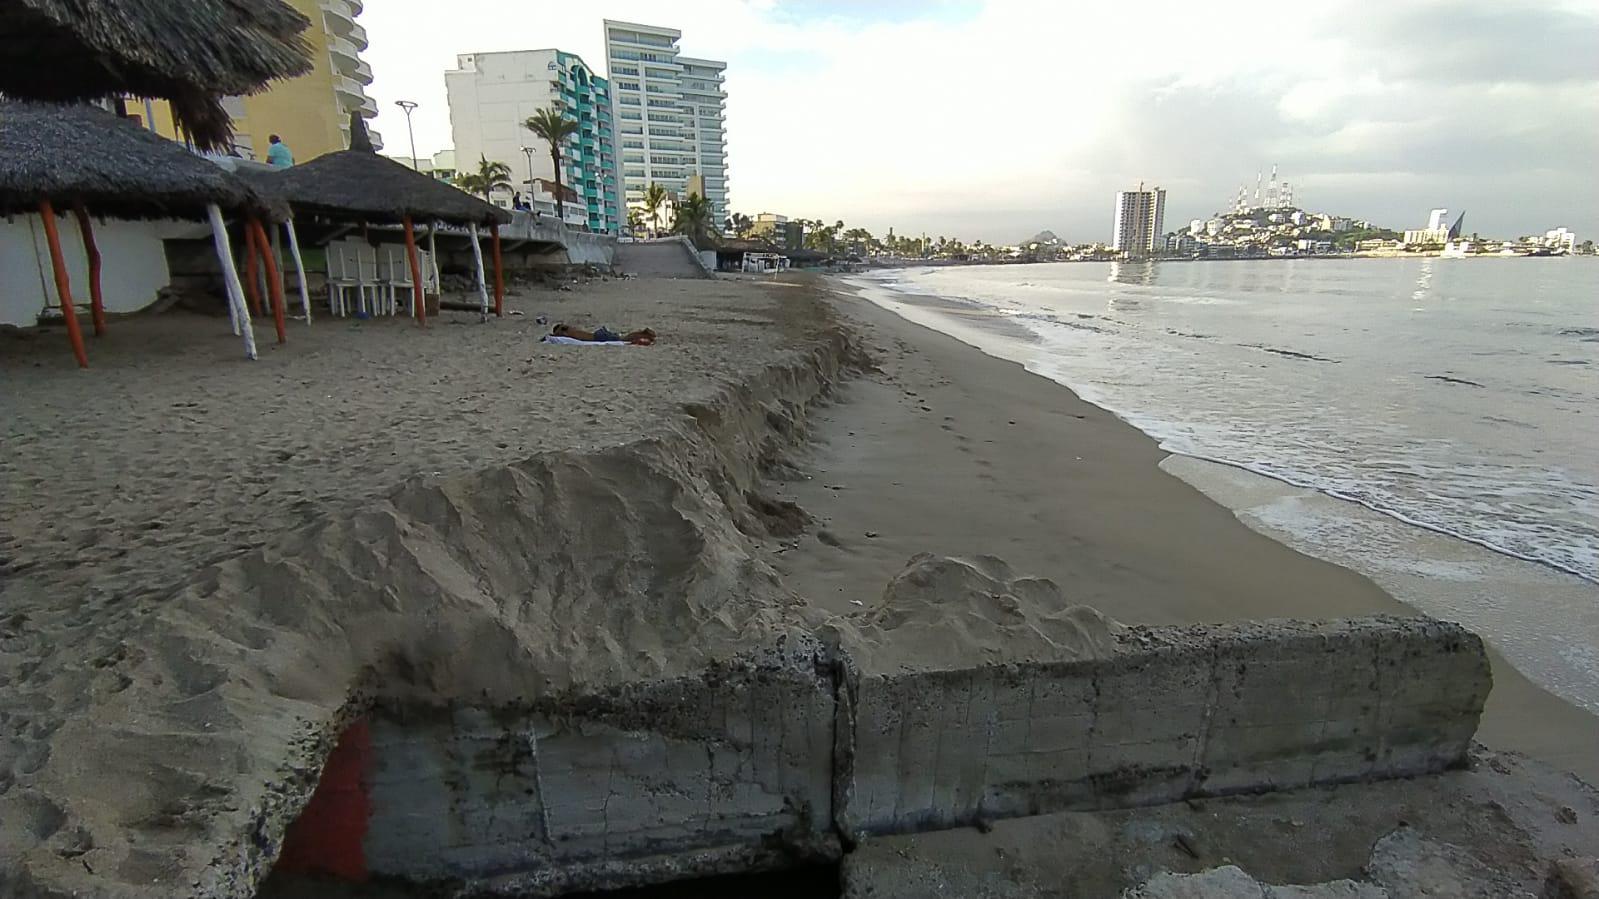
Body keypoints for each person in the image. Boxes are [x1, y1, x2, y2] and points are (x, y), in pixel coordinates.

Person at [551, 324, 656, 345]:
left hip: (597, 337)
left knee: (623, 339)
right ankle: (643, 333)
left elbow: (560, 333)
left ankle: (643, 333)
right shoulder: (570, 330)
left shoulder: (566, 331)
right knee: (622, 338)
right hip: (597, 335)